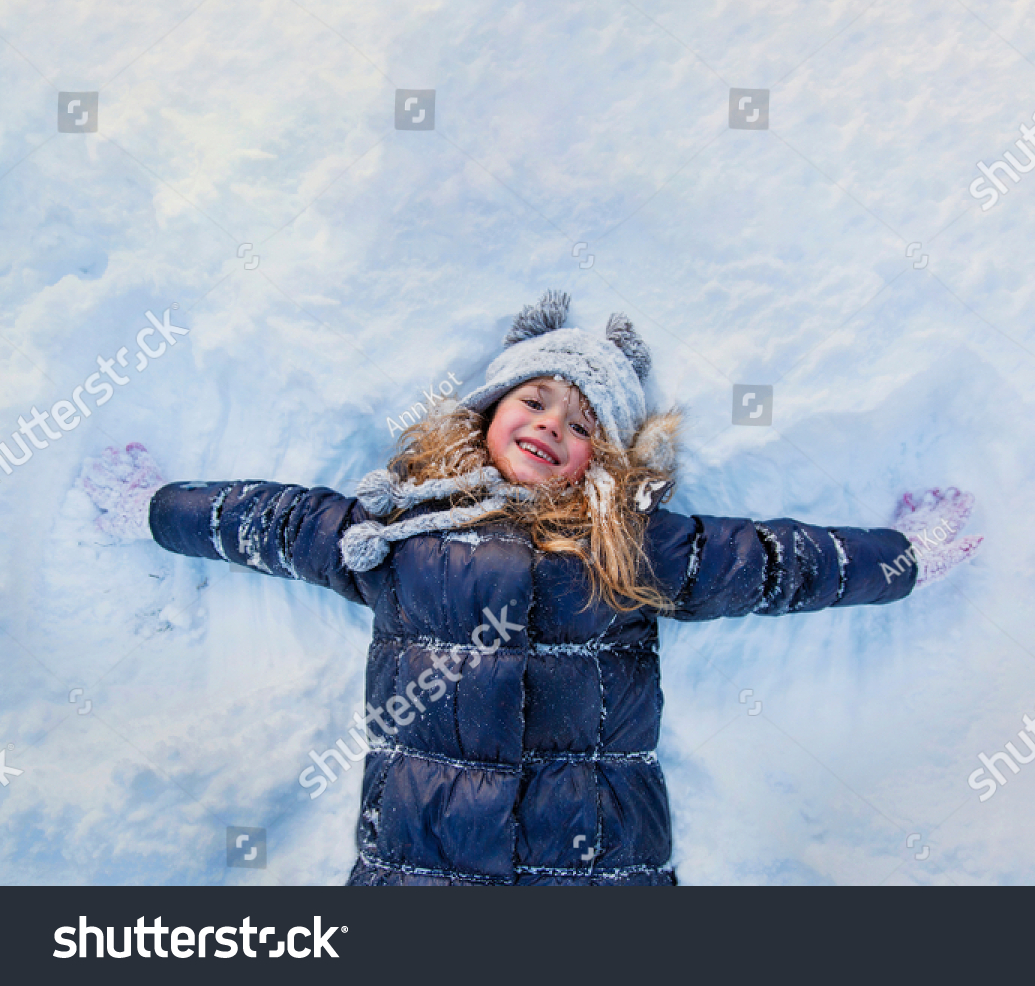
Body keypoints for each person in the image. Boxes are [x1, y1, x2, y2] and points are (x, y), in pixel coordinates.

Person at [78, 290, 982, 885]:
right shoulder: (397, 533)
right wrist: (153, 508)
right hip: (419, 866)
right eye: (535, 400)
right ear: (490, 410)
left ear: (608, 457)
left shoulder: (628, 549)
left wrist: (907, 556)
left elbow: (775, 563)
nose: (552, 425)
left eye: (582, 422)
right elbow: (274, 522)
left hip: (591, 868)